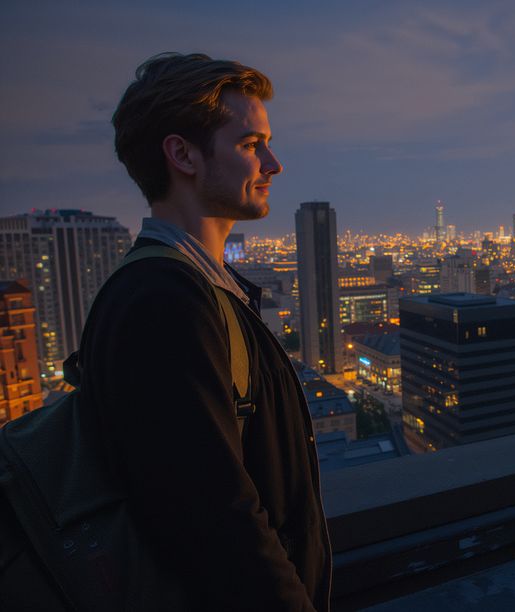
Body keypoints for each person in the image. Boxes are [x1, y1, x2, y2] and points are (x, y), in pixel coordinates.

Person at [78, 52, 331, 609]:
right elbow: (217, 523)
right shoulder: (161, 302)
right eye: (250, 144)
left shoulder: (201, 289)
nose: (274, 163)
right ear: (182, 154)